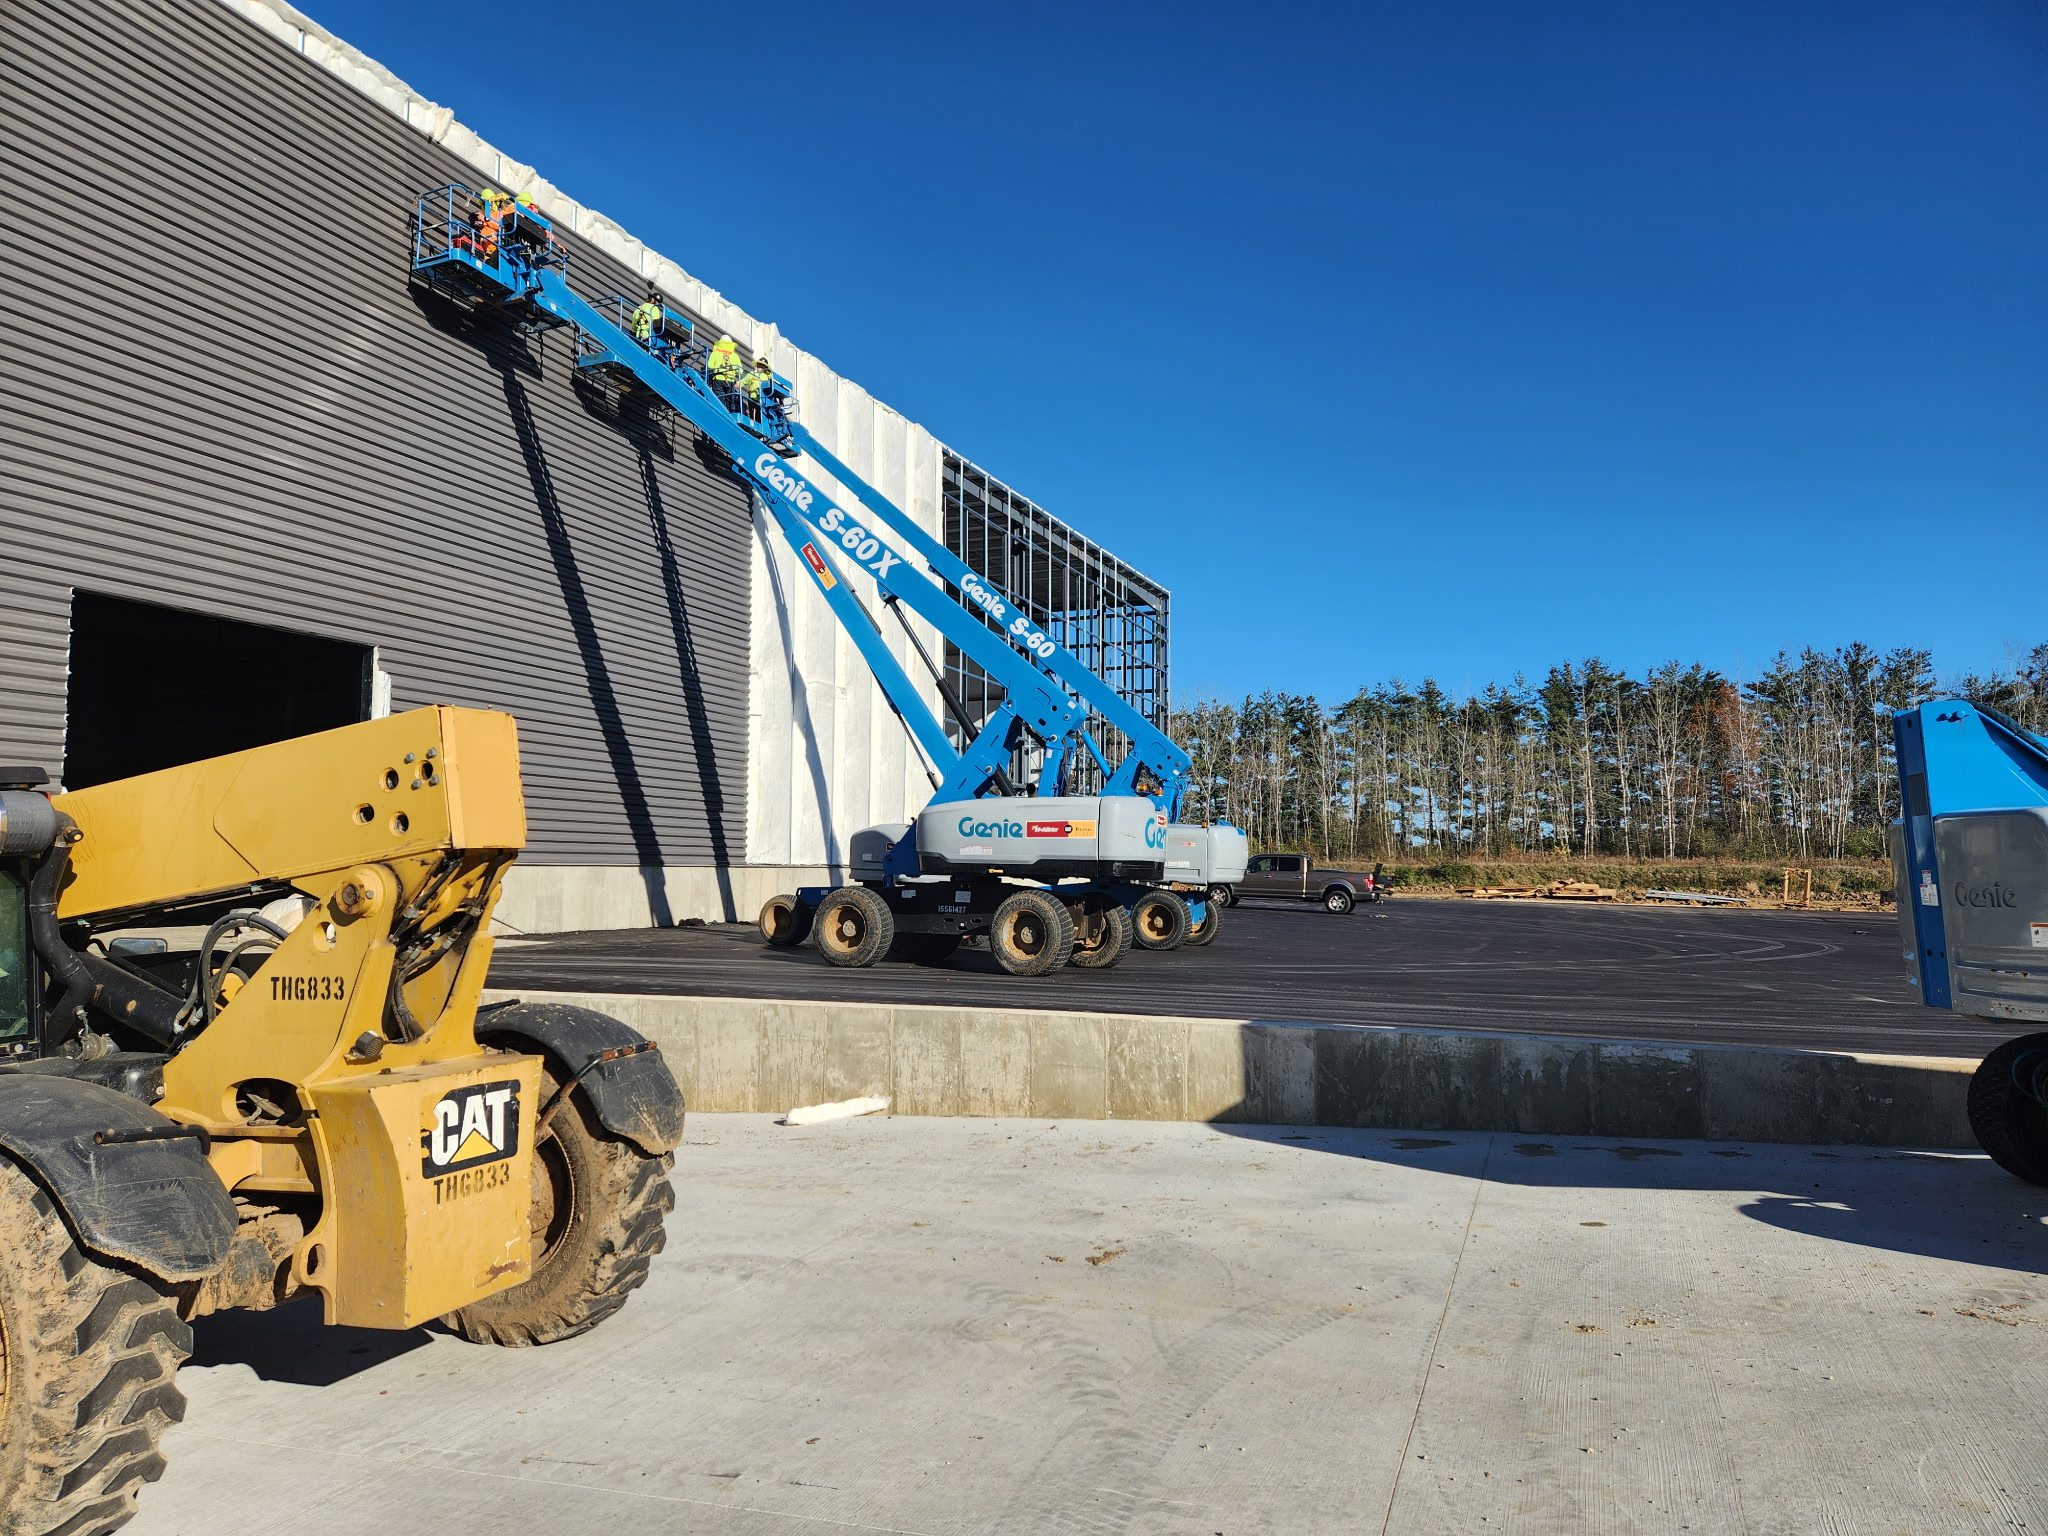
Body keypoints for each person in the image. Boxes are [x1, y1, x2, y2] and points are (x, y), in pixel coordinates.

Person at [707, 335, 742, 405]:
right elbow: (740, 370)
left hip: (718, 378)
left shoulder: (715, 353)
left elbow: (709, 366)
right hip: (731, 380)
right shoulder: (735, 355)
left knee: (719, 401)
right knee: (730, 402)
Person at [740, 352, 772, 421]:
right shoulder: (751, 374)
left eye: (762, 366)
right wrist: (734, 385)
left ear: (765, 368)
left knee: (760, 415)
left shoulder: (768, 377)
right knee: (752, 414)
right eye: (759, 365)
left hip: (762, 399)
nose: (760, 367)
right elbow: (742, 382)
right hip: (752, 397)